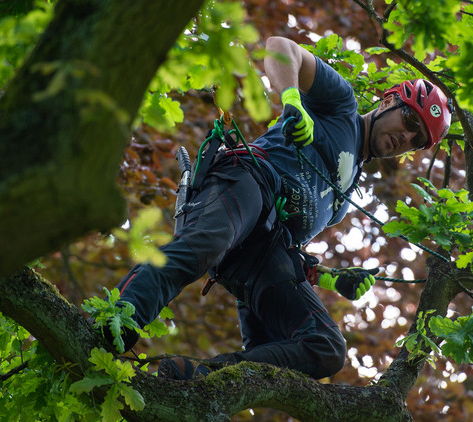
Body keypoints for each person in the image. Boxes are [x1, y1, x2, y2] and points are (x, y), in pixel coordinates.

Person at [109, 36, 452, 381]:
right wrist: (293, 101)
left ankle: (203, 380)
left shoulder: (341, 202)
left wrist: (332, 279)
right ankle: (119, 321)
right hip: (247, 184)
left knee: (327, 348)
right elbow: (279, 47)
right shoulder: (341, 105)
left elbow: (290, 251)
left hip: (262, 248)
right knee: (207, 243)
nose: (406, 138)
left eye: (418, 140)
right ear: (389, 100)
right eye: (409, 120)